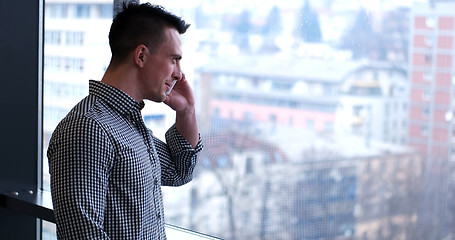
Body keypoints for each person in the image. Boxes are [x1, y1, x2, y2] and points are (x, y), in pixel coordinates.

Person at [47, 2, 203, 239]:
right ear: (141, 55)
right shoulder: (87, 129)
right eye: (174, 59)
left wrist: (187, 111)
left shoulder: (128, 124)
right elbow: (82, 236)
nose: (179, 73)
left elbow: (180, 171)